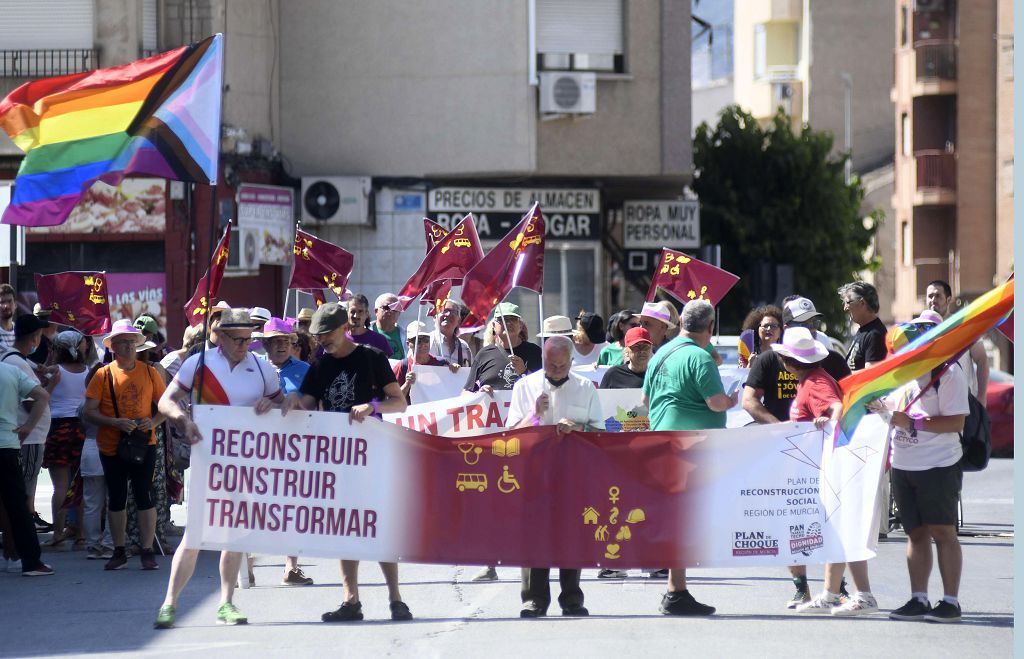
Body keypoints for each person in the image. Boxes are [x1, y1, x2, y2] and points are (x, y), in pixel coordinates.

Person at [153, 309, 285, 628]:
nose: (245, 345)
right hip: (207, 461)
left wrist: (274, 404)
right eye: (238, 339)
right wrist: (183, 419)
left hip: (247, 465)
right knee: (195, 535)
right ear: (221, 337)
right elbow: (165, 402)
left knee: (235, 535)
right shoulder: (198, 364)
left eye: (249, 339)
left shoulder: (261, 368)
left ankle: (226, 603)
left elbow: (285, 403)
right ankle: (169, 603)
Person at [284, 302, 412, 622]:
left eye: (327, 333)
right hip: (338, 460)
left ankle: (396, 599)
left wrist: (371, 406)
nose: (322, 340)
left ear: (344, 329)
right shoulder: (321, 365)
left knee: (378, 527)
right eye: (318, 335)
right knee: (344, 529)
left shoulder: (371, 358)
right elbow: (308, 406)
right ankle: (350, 600)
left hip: (372, 457)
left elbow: (399, 403)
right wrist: (290, 402)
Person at [742, 296, 851, 607]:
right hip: (785, 452)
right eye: (804, 323)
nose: (812, 328)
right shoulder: (768, 360)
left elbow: (850, 391)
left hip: (824, 454)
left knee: (829, 517)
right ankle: (800, 586)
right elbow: (749, 401)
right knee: (793, 519)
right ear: (787, 326)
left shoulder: (827, 358)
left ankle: (837, 587)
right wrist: (782, 430)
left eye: (814, 322)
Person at [766, 329, 878, 617]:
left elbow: (836, 406)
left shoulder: (814, 383)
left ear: (790, 361)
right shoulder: (815, 379)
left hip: (827, 467)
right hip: (827, 466)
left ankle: (862, 594)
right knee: (837, 530)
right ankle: (831, 593)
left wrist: (830, 430)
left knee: (840, 530)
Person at [642, 299, 735, 616]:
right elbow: (716, 404)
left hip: (662, 443)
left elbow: (644, 398)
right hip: (691, 449)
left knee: (678, 519)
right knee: (684, 521)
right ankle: (675, 591)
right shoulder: (699, 358)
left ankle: (676, 589)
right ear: (710, 327)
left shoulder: (661, 354)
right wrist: (733, 398)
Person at [880, 318, 970, 623]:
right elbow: (891, 409)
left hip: (938, 464)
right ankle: (918, 598)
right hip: (904, 464)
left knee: (943, 532)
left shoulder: (947, 373)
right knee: (915, 533)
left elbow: (956, 422)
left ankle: (951, 602)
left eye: (906, 354)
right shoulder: (900, 374)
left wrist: (913, 423)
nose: (901, 361)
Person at [507, 335, 602, 618]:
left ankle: (572, 598)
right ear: (544, 360)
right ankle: (534, 598)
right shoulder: (526, 387)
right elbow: (512, 433)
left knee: (571, 532)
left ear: (571, 361)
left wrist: (578, 427)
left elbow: (600, 432)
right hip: (535, 473)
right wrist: (535, 416)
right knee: (535, 534)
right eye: (551, 365)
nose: (556, 370)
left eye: (562, 366)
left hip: (573, 473)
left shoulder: (585, 388)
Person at [82, 319, 166, 572]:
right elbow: (89, 412)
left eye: (132, 343)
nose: (129, 347)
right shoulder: (102, 374)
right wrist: (113, 422)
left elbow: (165, 406)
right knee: (116, 498)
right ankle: (119, 550)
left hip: (144, 444)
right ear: (113, 347)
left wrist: (151, 422)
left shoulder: (150, 372)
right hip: (111, 446)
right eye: (124, 343)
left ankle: (147, 549)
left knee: (145, 495)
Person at [253, 316, 315, 587]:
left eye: (284, 341)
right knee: (254, 508)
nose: (280, 346)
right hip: (256, 449)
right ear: (265, 345)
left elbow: (316, 406)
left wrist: (295, 401)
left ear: (292, 343)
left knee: (293, 508)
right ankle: (244, 566)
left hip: (295, 449)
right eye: (274, 342)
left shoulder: (306, 370)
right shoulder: (251, 368)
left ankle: (291, 566)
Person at [597, 326, 654, 579]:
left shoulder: (659, 375)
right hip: (619, 451)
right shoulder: (612, 376)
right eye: (636, 348)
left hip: (652, 451)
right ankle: (613, 561)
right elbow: (603, 413)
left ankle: (655, 560)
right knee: (616, 506)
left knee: (651, 506)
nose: (642, 352)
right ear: (626, 352)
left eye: (646, 347)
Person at [0, 359, 53, 576]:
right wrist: (28, 427)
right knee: (17, 506)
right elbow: (43, 396)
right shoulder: (10, 371)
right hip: (7, 443)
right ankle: (30, 561)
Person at [2, 314, 54, 534]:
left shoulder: (16, 360)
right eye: (40, 335)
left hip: (26, 436)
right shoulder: (16, 363)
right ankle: (21, 535)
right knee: (25, 489)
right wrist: (52, 385)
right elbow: (34, 402)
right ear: (35, 337)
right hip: (28, 438)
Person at [42, 330, 90, 548]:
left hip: (58, 428)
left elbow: (41, 394)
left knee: (59, 485)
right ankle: (80, 535)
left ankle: (58, 535)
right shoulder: (88, 372)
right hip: (80, 429)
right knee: (78, 484)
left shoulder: (54, 371)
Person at [926, 280, 989, 405]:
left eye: (938, 296)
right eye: (930, 296)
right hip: (933, 405)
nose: (933, 300)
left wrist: (982, 397)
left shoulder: (964, 325)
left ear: (949, 300)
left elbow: (982, 360)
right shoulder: (922, 330)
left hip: (963, 403)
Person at [462, 303, 542, 394]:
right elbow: (466, 392)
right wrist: (479, 393)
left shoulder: (535, 352)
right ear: (494, 326)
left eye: (513, 319)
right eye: (502, 319)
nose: (508, 323)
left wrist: (524, 372)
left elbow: (545, 388)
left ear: (520, 325)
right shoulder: (483, 354)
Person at [839, 281, 887, 371]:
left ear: (862, 303)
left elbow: (871, 375)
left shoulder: (874, 334)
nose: (845, 308)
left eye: (848, 302)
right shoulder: (865, 330)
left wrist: (843, 376)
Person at [394, 321, 447, 403]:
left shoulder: (442, 363)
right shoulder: (402, 366)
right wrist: (407, 384)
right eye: (417, 341)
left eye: (426, 340)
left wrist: (455, 370)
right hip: (414, 414)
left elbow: (453, 389)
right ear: (408, 344)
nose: (423, 344)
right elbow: (393, 400)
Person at [428, 299, 473, 369]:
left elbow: (470, 375)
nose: (448, 314)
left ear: (459, 321)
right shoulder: (425, 341)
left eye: (453, 312)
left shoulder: (464, 347)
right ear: (434, 316)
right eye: (444, 311)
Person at [370, 293, 405, 359]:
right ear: (376, 311)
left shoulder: (406, 335)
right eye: (387, 307)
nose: (391, 311)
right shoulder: (363, 332)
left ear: (399, 313)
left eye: (395, 308)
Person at [0, 283, 16, 351]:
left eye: (9, 301)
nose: (6, 306)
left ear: (15, 304)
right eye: (2, 302)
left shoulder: (20, 331)